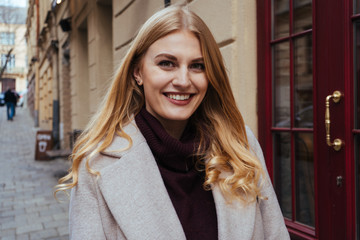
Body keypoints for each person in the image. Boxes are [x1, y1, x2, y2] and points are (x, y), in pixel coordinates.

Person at [56, 4, 290, 240]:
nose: (183, 80)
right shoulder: (96, 164)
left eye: (197, 66)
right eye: (167, 63)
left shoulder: (241, 145)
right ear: (138, 72)